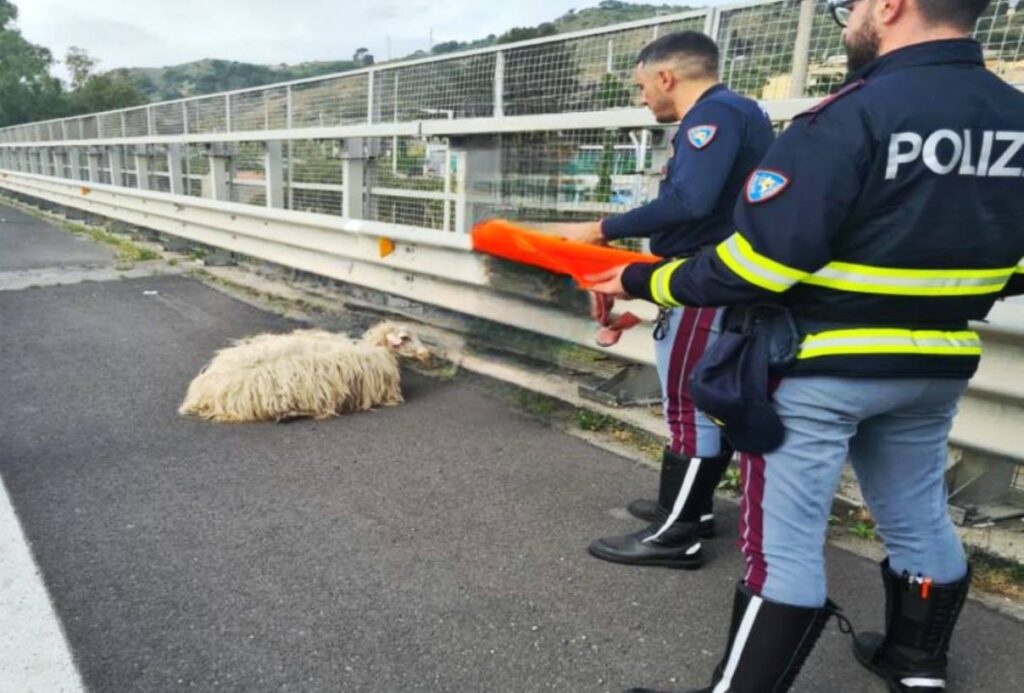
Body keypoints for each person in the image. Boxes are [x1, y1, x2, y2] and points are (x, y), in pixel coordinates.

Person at [587, 0, 1024, 690]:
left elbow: (762, 263)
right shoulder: (1016, 115)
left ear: (890, 6)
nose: (847, 23)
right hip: (937, 362)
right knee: (916, 514)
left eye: (849, 8)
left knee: (781, 545)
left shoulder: (850, 114)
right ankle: (916, 664)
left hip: (821, 365)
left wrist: (646, 277)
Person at [552, 31, 775, 569]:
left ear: (665, 77)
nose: (642, 98)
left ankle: (675, 535)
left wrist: (603, 228)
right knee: (702, 398)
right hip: (715, 275)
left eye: (641, 86)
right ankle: (689, 511)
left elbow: (690, 201)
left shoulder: (711, 116)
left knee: (688, 402)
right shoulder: (743, 113)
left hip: (704, 277)